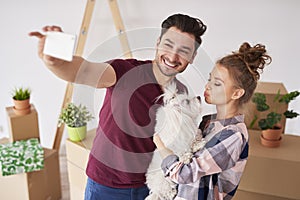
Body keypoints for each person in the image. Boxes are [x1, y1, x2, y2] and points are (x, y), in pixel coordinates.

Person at [29, 13, 207, 200]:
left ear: (193, 56)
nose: (173, 56)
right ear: (158, 43)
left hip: (151, 188)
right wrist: (55, 62)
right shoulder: (126, 71)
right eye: (168, 45)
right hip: (106, 185)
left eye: (184, 50)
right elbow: (85, 71)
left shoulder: (182, 94)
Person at [153, 42, 272, 200]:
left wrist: (159, 143)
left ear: (237, 93)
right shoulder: (209, 122)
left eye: (217, 83)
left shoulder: (233, 135)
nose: (207, 86)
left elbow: (185, 173)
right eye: (210, 79)